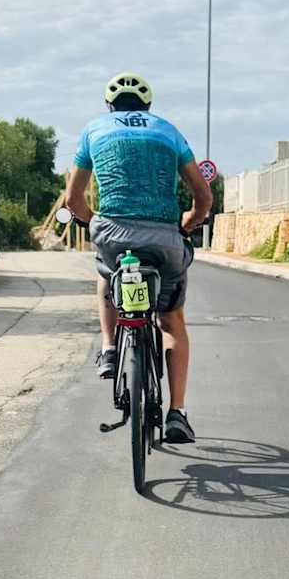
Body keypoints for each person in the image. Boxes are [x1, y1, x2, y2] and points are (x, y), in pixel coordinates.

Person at [65, 71, 213, 444]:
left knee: (106, 272)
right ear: (147, 105)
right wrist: (189, 222)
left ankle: (111, 349)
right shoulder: (168, 131)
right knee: (172, 320)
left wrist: (92, 220)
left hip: (113, 233)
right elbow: (203, 196)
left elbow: (73, 200)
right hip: (164, 236)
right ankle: (177, 413)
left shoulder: (93, 130)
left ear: (109, 105)